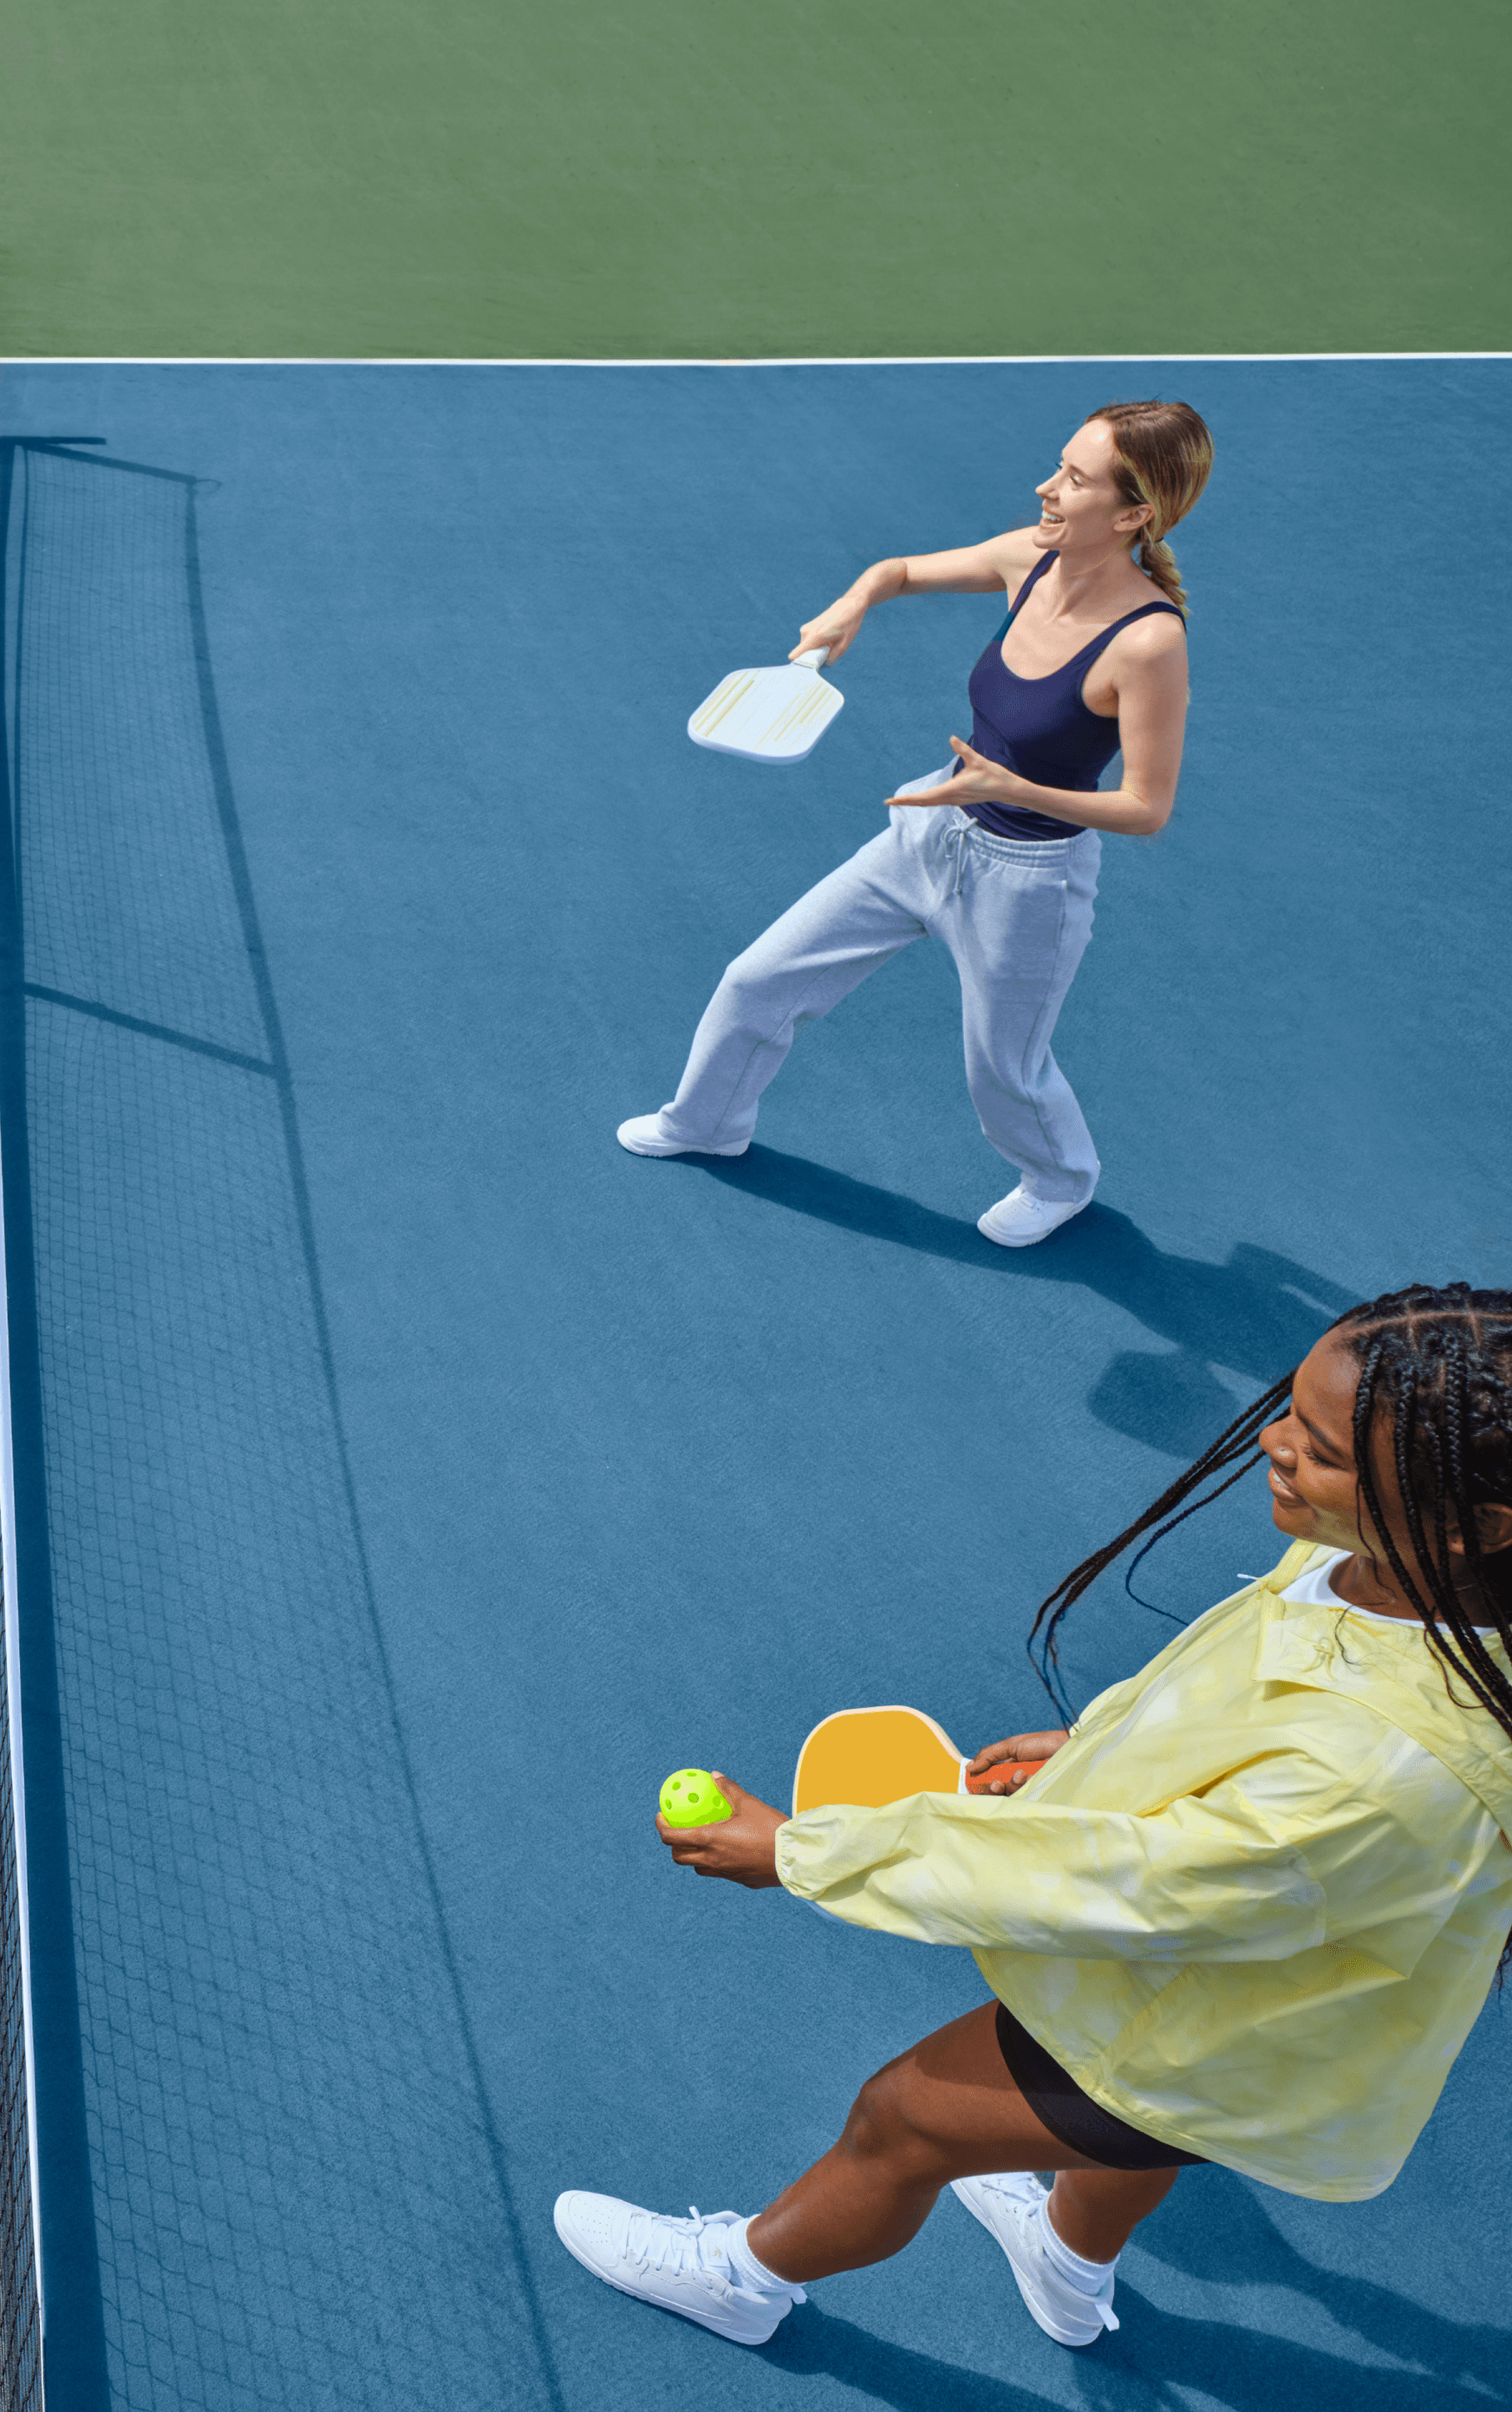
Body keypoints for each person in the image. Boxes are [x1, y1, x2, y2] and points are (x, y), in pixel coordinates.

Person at [554, 1287, 1512, 2351]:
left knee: (903, 2117)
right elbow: (1244, 1711)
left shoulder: (1382, 1770)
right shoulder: (1384, 1563)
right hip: (1265, 2023)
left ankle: (742, 2280)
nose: (1277, 1444)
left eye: (1322, 1448)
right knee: (1147, 2136)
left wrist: (801, 1852)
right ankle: (1067, 2258)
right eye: (1290, 1407)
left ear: (1477, 1524)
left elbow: (1132, 1883)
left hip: (1202, 2009)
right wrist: (1093, 1751)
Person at [618, 401, 1212, 1247]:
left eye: (1074, 480)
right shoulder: (1031, 558)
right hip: (928, 830)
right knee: (759, 978)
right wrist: (850, 605)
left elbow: (1145, 808)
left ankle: (1062, 1179)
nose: (1046, 488)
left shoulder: (1149, 643)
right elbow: (898, 570)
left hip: (1029, 883)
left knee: (1003, 1071)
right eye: (1058, 464)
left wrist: (1014, 785)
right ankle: (708, 1120)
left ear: (1133, 514)